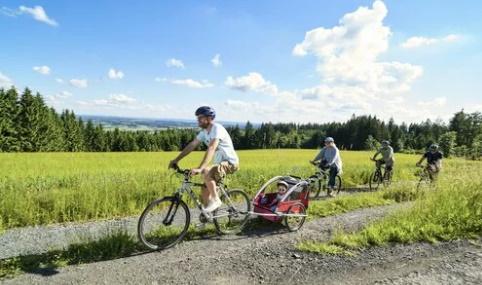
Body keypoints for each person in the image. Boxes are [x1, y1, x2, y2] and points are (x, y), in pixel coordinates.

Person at [168, 106, 239, 212]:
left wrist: (200, 168)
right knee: (205, 190)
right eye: (197, 117)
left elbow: (212, 147)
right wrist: (176, 160)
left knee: (206, 171)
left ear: (209, 118)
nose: (198, 120)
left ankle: (216, 200)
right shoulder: (204, 132)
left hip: (230, 163)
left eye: (200, 117)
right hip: (218, 164)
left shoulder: (217, 129)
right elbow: (192, 145)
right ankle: (208, 214)